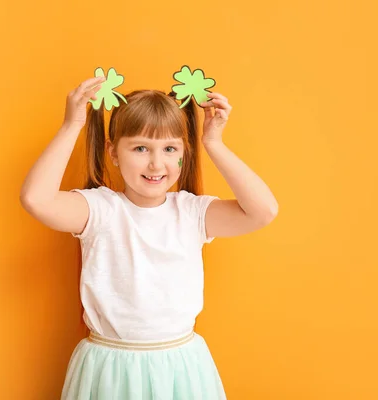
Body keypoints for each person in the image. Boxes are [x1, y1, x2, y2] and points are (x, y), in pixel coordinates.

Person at [20, 73, 278, 399]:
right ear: (113, 152)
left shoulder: (192, 212)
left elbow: (263, 211)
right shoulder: (100, 209)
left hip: (181, 366)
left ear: (184, 152)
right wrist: (71, 125)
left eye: (170, 148)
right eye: (141, 148)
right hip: (110, 367)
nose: (157, 164)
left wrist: (213, 142)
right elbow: (36, 199)